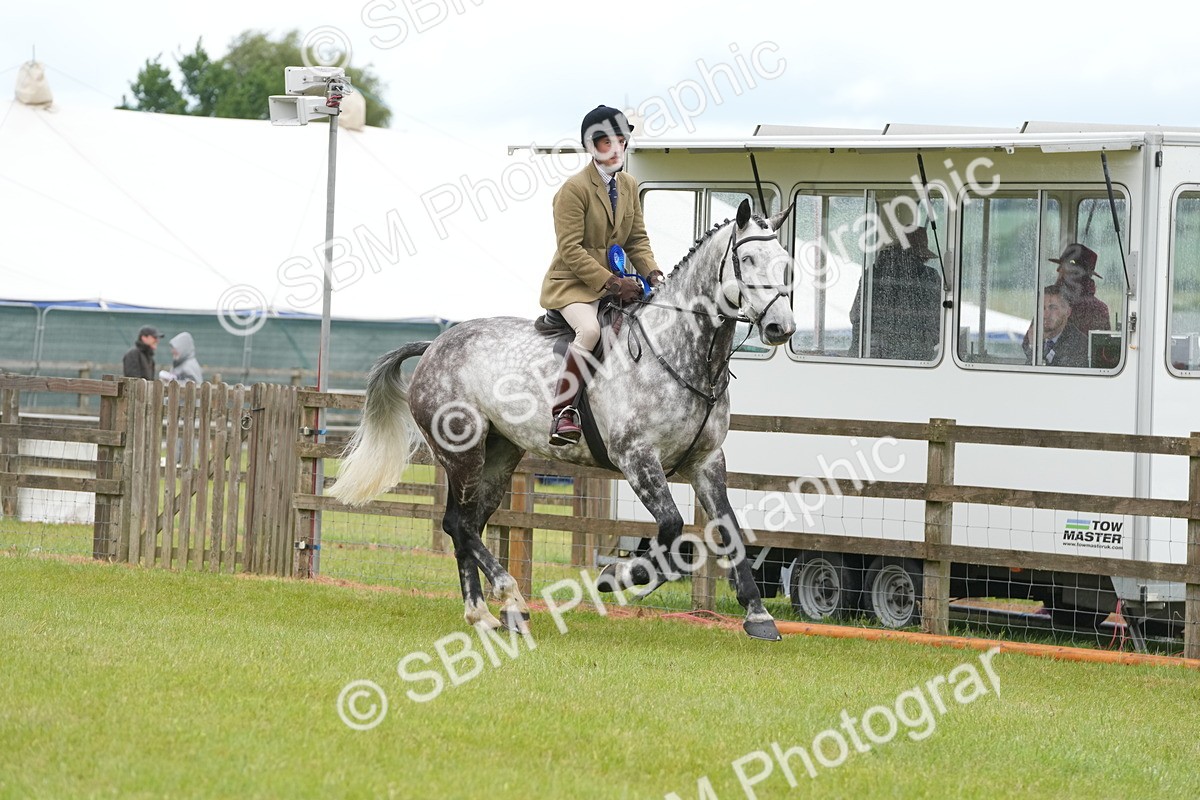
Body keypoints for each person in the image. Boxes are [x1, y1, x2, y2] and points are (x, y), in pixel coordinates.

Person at [539, 104, 665, 446]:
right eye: (609, 143)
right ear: (593, 147)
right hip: (572, 286)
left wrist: (652, 274)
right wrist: (612, 282)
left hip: (618, 285)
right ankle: (563, 411)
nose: (617, 149)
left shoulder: (628, 185)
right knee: (591, 330)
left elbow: (637, 239)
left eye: (622, 142)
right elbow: (571, 249)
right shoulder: (574, 190)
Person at [848, 226, 943, 360]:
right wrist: (926, 343)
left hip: (867, 355)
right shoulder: (929, 277)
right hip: (914, 359)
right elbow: (938, 321)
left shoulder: (872, 273)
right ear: (921, 255)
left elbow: (856, 315)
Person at [1024, 285, 1088, 367]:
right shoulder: (1032, 337)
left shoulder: (1079, 345)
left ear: (1068, 312)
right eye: (1042, 308)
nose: (1045, 315)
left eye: (1053, 308)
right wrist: (1033, 346)